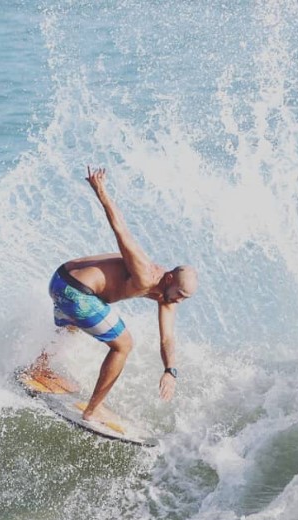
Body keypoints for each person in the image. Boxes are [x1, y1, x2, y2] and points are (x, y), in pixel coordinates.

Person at [33, 166, 198, 423]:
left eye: (185, 297)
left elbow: (167, 339)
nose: (180, 300)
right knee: (123, 344)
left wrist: (170, 371)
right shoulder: (145, 272)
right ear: (169, 279)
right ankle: (93, 409)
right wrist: (101, 191)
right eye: (180, 294)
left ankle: (39, 368)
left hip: (59, 283)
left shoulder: (167, 296)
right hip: (76, 292)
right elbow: (121, 230)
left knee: (72, 327)